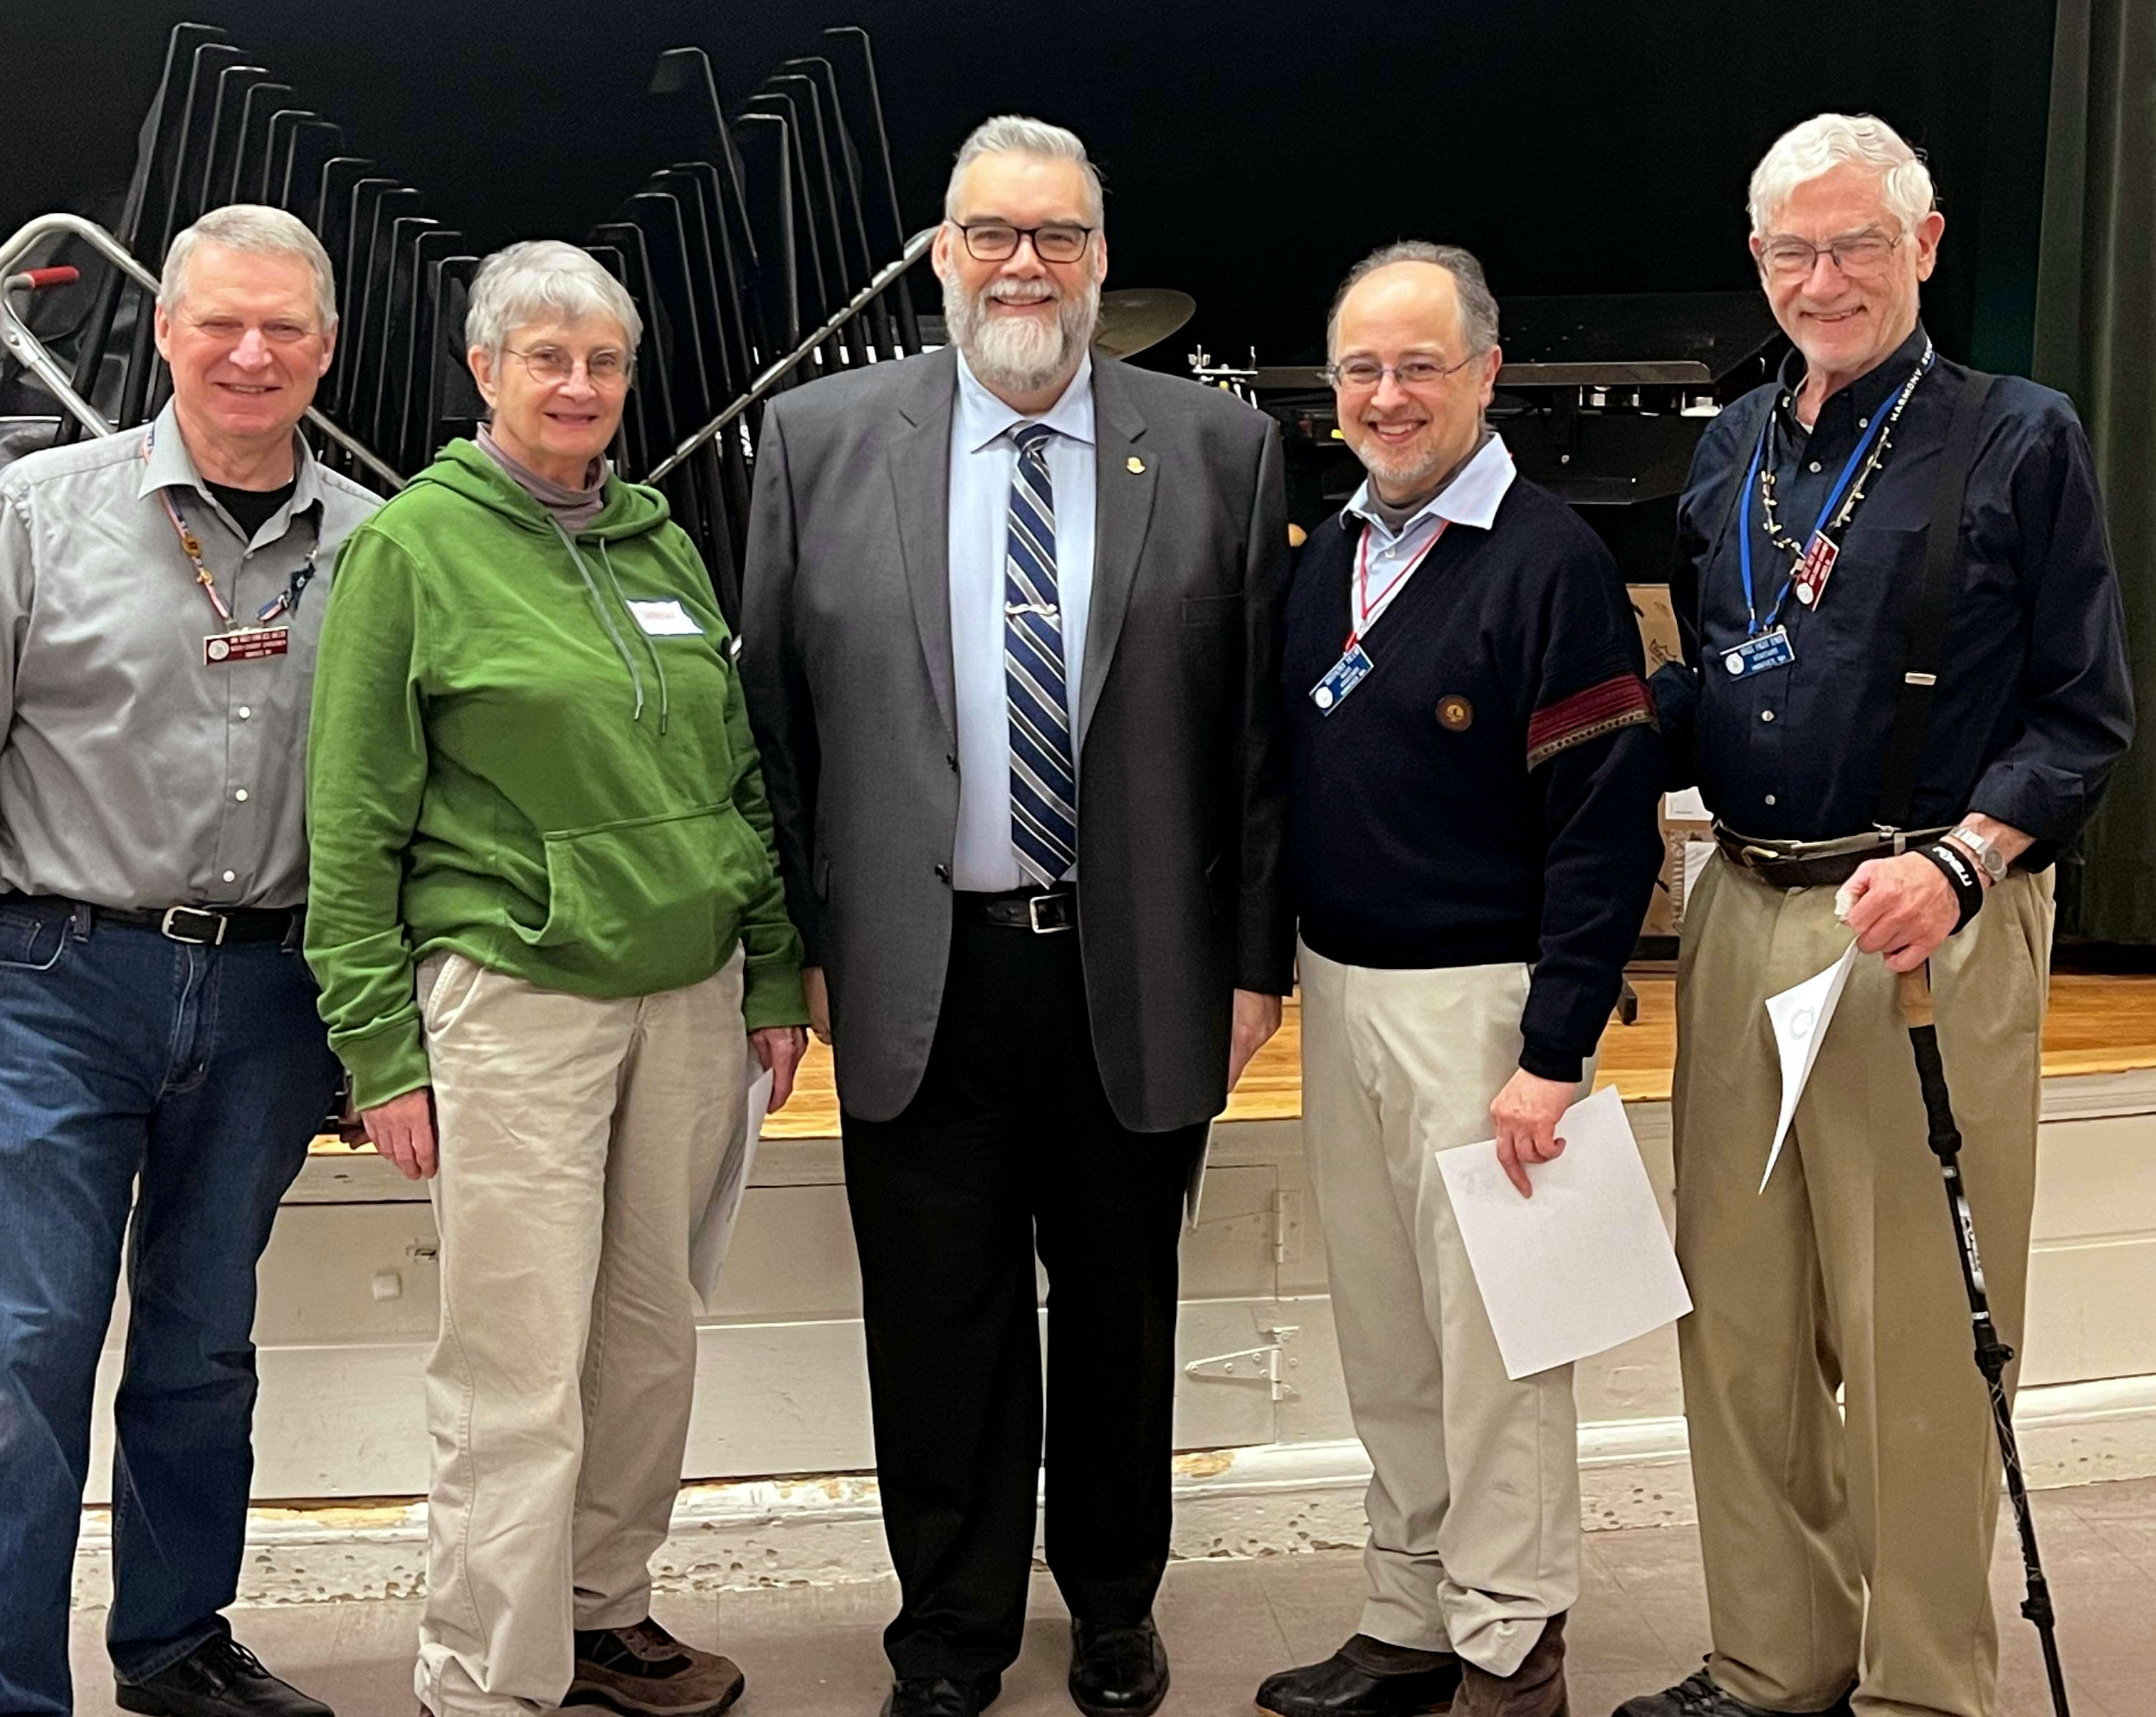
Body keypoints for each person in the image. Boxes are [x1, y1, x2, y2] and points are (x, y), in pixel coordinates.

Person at [738, 115, 1292, 1717]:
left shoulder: (1215, 450)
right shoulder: (822, 441)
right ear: (940, 257)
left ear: (1102, 262)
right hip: (917, 973)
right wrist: (800, 953)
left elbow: (1256, 740)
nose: (1026, 265)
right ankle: (952, 1628)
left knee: (1123, 1313)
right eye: (994, 234)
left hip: (1141, 970)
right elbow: (769, 731)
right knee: (938, 1320)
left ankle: (1115, 1601)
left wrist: (1254, 964)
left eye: (1058, 237)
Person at [1616, 114, 2133, 1717]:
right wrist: (1566, 724)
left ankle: (1921, 1685)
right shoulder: (1730, 449)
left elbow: (2083, 715)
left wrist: (1968, 860)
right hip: (1742, 911)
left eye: (1855, 244)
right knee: (1742, 1325)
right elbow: (1722, 684)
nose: (1822, 278)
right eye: (1791, 250)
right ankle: (1777, 1660)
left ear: (1925, 243)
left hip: (1919, 920)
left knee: (1914, 1341)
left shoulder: (2019, 437)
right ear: (1757, 259)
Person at [0, 204, 375, 1717]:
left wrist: (366, 1023)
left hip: (274, 997)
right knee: (23, 1351)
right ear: (166, 334)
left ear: (325, 350)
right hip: (53, 985)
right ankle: (4, 1693)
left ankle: (175, 1645)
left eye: (285, 327)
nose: (252, 351)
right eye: (221, 321)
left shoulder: (376, 550)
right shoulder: (39, 513)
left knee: (206, 1345)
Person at [304, 238, 809, 1717]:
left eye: (603, 361)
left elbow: (732, 781)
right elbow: (351, 823)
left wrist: (772, 970)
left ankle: (603, 1614)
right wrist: (380, 1050)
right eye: (548, 358)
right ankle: (486, 1677)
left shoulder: (658, 543)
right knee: (515, 1367)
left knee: (650, 1336)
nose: (579, 385)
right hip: (516, 1003)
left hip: (692, 997)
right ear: (486, 373)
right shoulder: (412, 549)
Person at [1253, 243, 1663, 1717]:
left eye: (1421, 364)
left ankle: (1511, 1641)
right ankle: (1407, 1615)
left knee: (1500, 1355)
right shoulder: (1330, 554)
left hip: (1489, 1014)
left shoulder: (1549, 563)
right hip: (1345, 989)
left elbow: (1607, 831)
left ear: (1488, 375)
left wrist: (1554, 1049)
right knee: (1388, 1337)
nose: (1387, 393)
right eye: (1362, 367)